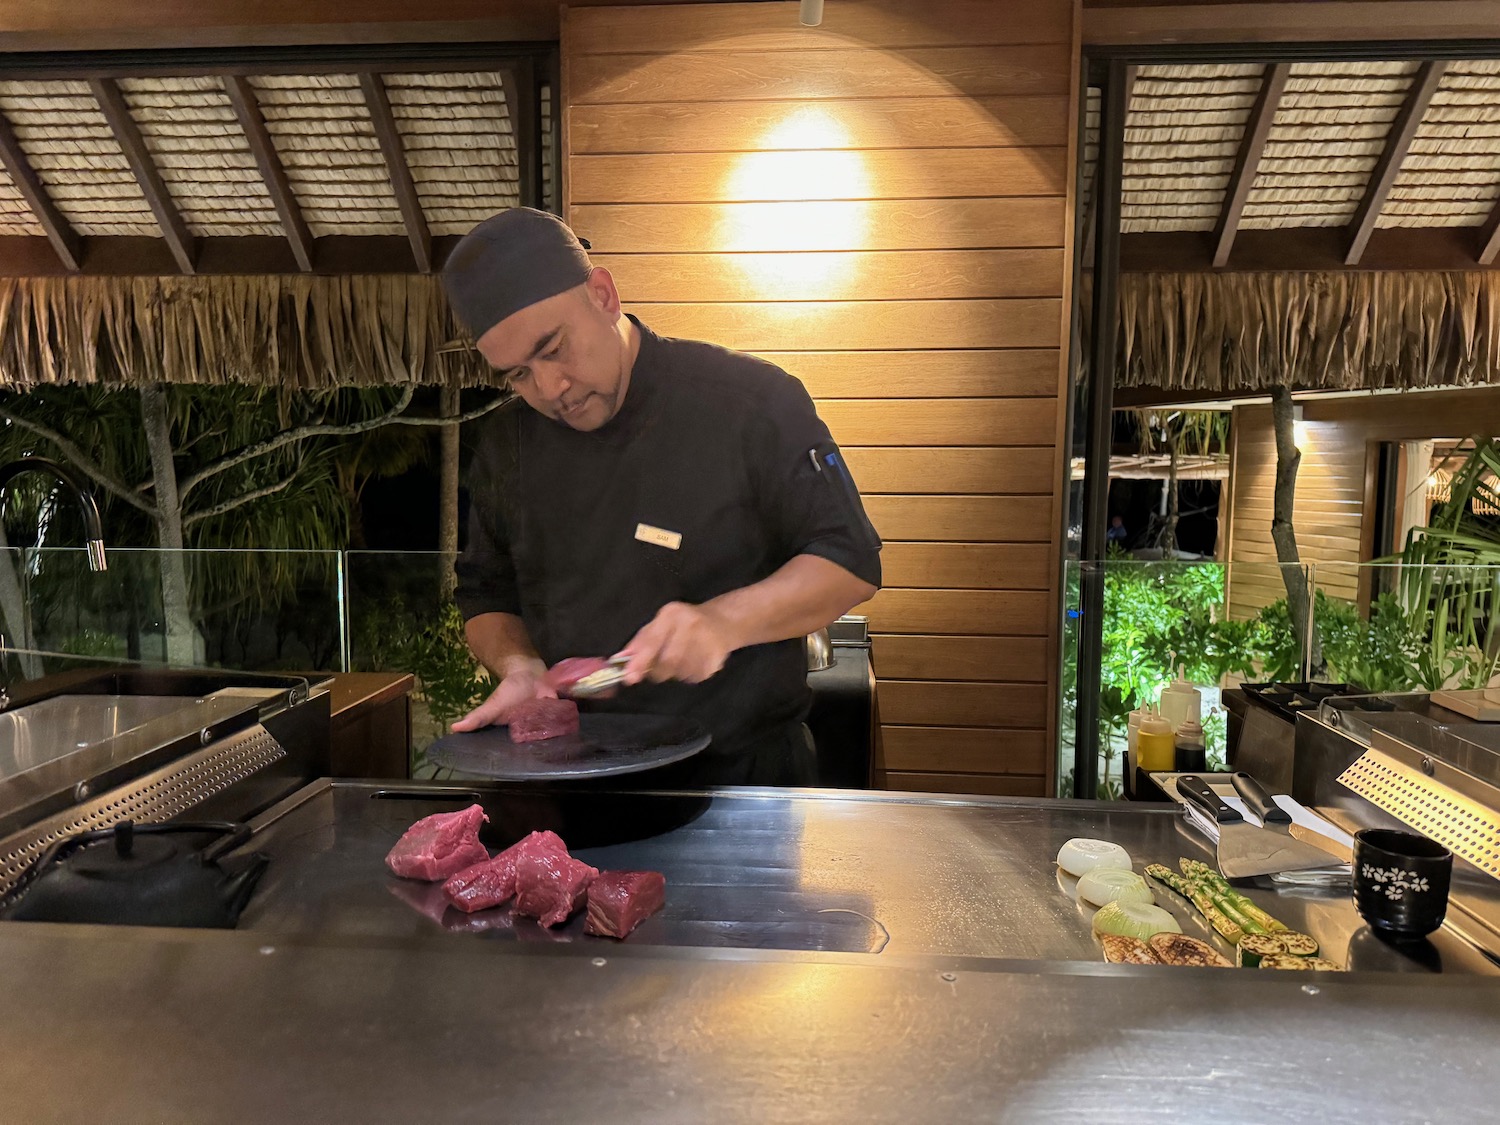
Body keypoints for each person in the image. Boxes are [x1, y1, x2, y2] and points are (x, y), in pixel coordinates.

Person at [441, 208, 882, 785]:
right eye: (518, 375)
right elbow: (484, 591)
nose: (550, 389)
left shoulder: (748, 402)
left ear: (602, 295)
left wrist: (723, 622)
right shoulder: (507, 444)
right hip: (573, 783)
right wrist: (519, 666)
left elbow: (851, 560)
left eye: (554, 349)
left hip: (741, 777)